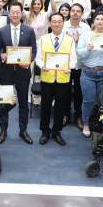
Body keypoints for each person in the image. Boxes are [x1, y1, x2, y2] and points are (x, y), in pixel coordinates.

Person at [0, 2, 37, 144]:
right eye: (13, 12)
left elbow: (34, 51)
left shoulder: (29, 31)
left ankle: (23, 130)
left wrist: (28, 61)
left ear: (21, 13)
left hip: (23, 72)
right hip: (6, 72)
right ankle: (3, 130)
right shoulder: (2, 31)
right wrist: (1, 56)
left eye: (18, 12)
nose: (15, 14)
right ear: (9, 12)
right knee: (4, 102)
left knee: (23, 102)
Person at [35, 13, 77, 146]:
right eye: (54, 21)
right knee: (46, 106)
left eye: (59, 21)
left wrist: (69, 67)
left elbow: (74, 59)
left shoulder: (69, 40)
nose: (57, 24)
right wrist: (43, 66)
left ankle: (56, 132)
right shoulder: (43, 39)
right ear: (50, 23)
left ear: (63, 23)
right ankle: (45, 131)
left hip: (63, 78)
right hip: (47, 78)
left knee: (60, 106)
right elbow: (38, 58)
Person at [78, 12, 103, 137]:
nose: (100, 21)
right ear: (93, 22)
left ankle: (99, 123)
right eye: (97, 19)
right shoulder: (85, 36)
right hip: (88, 72)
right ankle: (86, 123)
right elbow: (80, 54)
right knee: (88, 100)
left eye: (102, 19)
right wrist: (87, 49)